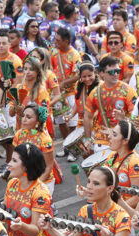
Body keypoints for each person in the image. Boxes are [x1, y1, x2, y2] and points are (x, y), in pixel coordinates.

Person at [84, 57, 137, 155]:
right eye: (111, 72)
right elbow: (87, 117)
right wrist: (88, 138)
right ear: (101, 74)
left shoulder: (128, 90)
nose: (116, 74)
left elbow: (136, 117)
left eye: (118, 71)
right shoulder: (95, 92)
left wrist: (124, 119)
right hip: (102, 142)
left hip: (121, 141)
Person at [51, 28, 81, 156]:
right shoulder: (53, 53)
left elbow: (79, 74)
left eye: (58, 40)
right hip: (58, 94)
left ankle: (73, 150)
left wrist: (64, 83)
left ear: (66, 41)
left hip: (70, 94)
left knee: (72, 123)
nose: (55, 42)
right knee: (61, 121)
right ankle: (66, 146)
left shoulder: (75, 55)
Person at [12, 105, 55, 193]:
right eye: (23, 116)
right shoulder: (19, 135)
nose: (23, 119)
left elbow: (48, 167)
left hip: (42, 182)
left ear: (38, 121)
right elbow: (15, 159)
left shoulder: (45, 140)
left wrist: (34, 185)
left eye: (28, 117)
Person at [65, 62, 99, 128]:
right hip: (82, 123)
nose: (87, 79)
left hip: (96, 125)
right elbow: (77, 102)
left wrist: (89, 118)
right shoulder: (78, 84)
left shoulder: (100, 86)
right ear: (80, 76)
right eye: (84, 76)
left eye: (90, 75)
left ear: (95, 73)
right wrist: (71, 115)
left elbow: (102, 108)